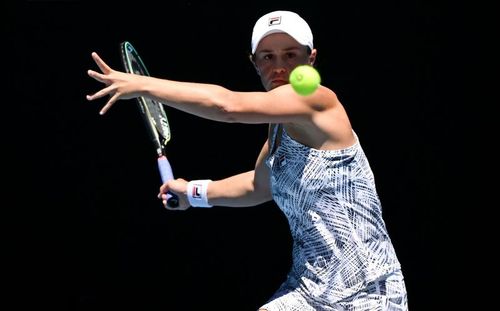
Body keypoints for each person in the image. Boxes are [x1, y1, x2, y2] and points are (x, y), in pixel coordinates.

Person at [87, 10, 408, 311]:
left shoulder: (318, 100)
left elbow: (229, 107)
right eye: (268, 57)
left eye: (290, 54)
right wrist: (192, 194)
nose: (279, 66)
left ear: (311, 59)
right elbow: (259, 185)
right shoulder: (279, 128)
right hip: (309, 292)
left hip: (368, 294)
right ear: (254, 63)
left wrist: (144, 86)